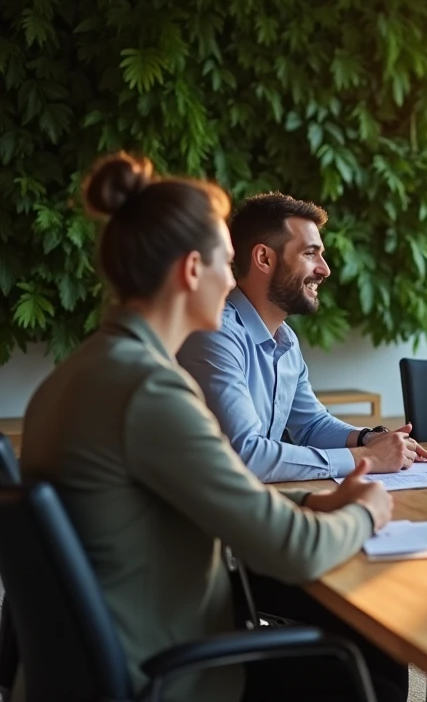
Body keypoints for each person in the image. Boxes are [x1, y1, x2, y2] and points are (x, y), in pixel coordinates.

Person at [19, 153, 401, 702]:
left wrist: (307, 501)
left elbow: (198, 487)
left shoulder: (78, 375)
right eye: (226, 262)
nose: (233, 281)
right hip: (168, 677)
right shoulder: (149, 390)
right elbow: (291, 551)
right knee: (370, 673)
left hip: (104, 665)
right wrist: (366, 510)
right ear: (192, 270)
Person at [178, 192, 427, 483]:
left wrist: (368, 439)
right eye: (310, 253)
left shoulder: (285, 340)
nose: (324, 269)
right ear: (264, 258)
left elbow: (311, 425)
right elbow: (245, 456)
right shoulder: (217, 334)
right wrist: (367, 459)